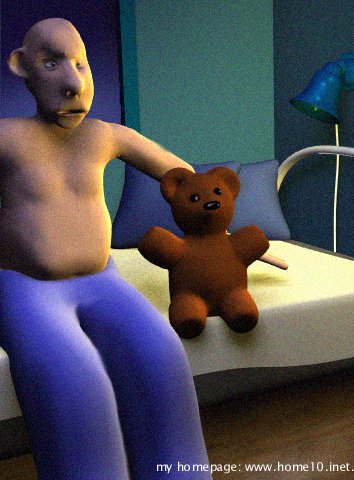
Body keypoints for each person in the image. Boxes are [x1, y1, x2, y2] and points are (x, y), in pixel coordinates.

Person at [0, 18, 210, 479]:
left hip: (103, 281)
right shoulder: (7, 138)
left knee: (160, 354)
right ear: (20, 66)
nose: (73, 84)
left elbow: (190, 183)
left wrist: (222, 234)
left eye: (80, 64)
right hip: (27, 288)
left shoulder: (104, 136)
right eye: (52, 63)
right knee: (76, 379)